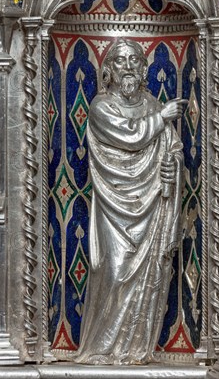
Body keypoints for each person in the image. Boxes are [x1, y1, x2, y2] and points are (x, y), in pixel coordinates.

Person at [75, 38, 185, 365]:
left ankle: (136, 349)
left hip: (153, 209)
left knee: (150, 279)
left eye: (135, 61)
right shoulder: (101, 107)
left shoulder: (152, 104)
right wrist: (163, 117)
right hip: (114, 209)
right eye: (121, 61)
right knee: (113, 270)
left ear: (144, 69)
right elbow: (129, 134)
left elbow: (175, 150)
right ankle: (101, 348)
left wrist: (172, 168)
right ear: (108, 70)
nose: (128, 67)